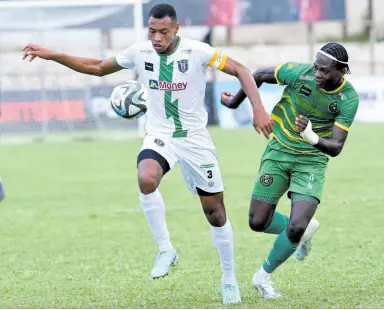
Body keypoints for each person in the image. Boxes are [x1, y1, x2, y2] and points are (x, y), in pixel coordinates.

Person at [22, 3, 273, 304]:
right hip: (159, 135)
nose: (156, 38)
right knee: (146, 178)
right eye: (152, 31)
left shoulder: (198, 52)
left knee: (215, 213)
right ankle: (166, 248)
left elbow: (242, 70)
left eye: (163, 32)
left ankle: (229, 279)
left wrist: (258, 108)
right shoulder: (139, 53)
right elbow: (97, 67)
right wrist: (53, 55)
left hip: (195, 140)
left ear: (176, 29)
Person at [221, 43, 359, 298]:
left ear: (341, 71)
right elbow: (260, 74)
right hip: (278, 154)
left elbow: (337, 146)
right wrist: (235, 103)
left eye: (325, 71)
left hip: (311, 163)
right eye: (316, 67)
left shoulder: (348, 99)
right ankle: (305, 230)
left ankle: (263, 277)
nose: (317, 74)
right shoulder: (300, 73)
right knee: (257, 222)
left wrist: (311, 136)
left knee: (295, 225)